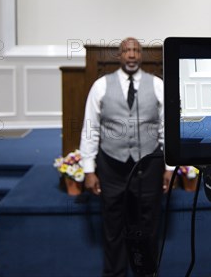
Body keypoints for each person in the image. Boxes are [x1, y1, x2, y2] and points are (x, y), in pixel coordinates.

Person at [79, 37, 174, 277]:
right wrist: (89, 169)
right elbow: (90, 127)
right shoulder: (101, 85)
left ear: (141, 55)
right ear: (120, 55)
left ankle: (147, 273)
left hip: (148, 165)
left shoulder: (157, 85)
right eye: (126, 50)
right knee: (113, 226)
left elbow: (166, 126)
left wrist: (169, 166)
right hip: (112, 165)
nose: (131, 54)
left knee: (148, 225)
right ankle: (115, 273)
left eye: (135, 50)